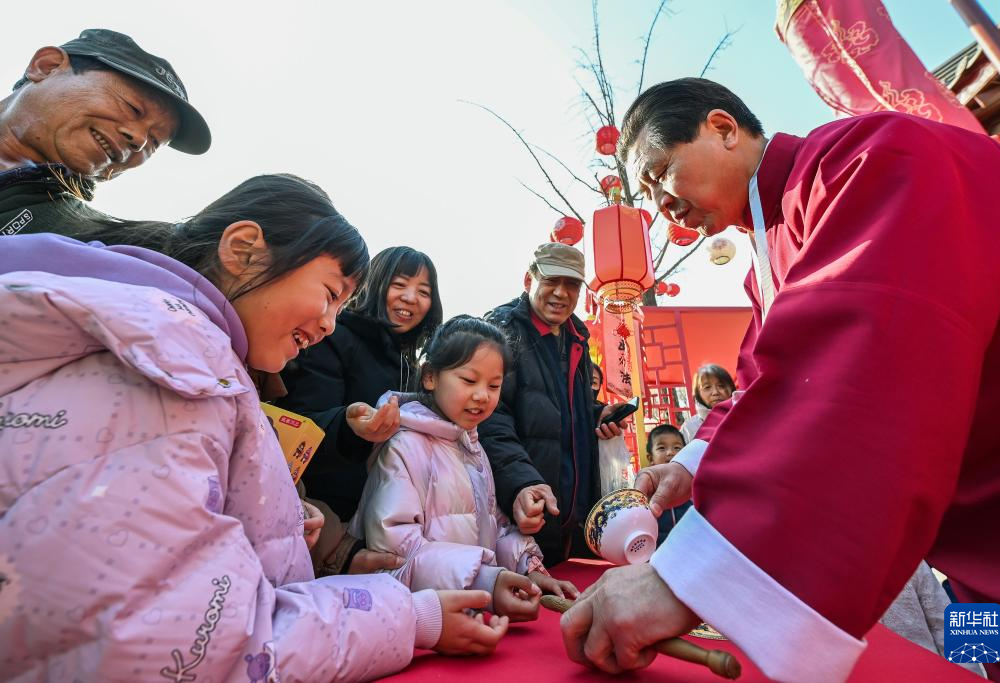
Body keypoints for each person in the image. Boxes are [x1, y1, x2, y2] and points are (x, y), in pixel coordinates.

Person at [559, 77, 1000, 683]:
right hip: (970, 536)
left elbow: (857, 374)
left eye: (659, 174)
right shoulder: (768, 259)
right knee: (982, 656)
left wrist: (696, 576)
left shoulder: (872, 159)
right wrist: (692, 464)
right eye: (646, 194)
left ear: (722, 129)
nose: (659, 206)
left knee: (930, 637)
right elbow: (757, 381)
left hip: (990, 502)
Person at [0, 175, 507, 681]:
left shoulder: (193, 361)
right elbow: (176, 643)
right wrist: (409, 616)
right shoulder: (166, 370)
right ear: (244, 250)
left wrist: (274, 518)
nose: (330, 322)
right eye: (330, 293)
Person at [351, 316, 579, 621]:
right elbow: (394, 554)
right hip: (416, 622)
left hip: (465, 614)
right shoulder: (403, 447)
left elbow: (493, 526)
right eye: (469, 381)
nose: (482, 395)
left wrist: (529, 570)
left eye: (494, 385)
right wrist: (484, 581)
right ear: (430, 377)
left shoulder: (473, 447)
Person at [478, 243, 628, 565]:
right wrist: (523, 482)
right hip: (522, 508)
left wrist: (597, 414)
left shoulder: (577, 337)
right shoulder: (502, 331)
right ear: (528, 280)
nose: (561, 293)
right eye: (551, 281)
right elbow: (490, 419)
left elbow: (561, 408)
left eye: (571, 284)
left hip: (573, 515)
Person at [278, 246, 443, 523]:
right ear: (374, 284)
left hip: (385, 516)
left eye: (424, 292)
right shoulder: (333, 336)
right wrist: (350, 427)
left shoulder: (411, 366)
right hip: (323, 513)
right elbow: (300, 422)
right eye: (399, 284)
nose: (411, 298)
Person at [0, 29, 210, 236]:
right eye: (132, 108)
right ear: (47, 66)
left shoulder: (101, 245)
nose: (139, 140)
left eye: (154, 142)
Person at [645, 424, 690, 546]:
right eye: (661, 448)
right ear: (650, 458)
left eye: (677, 447)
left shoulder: (692, 489)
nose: (670, 453)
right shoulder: (647, 494)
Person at [680, 364, 735, 443]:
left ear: (731, 389)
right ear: (698, 393)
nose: (715, 392)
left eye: (721, 386)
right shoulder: (689, 428)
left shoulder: (745, 418)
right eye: (707, 387)